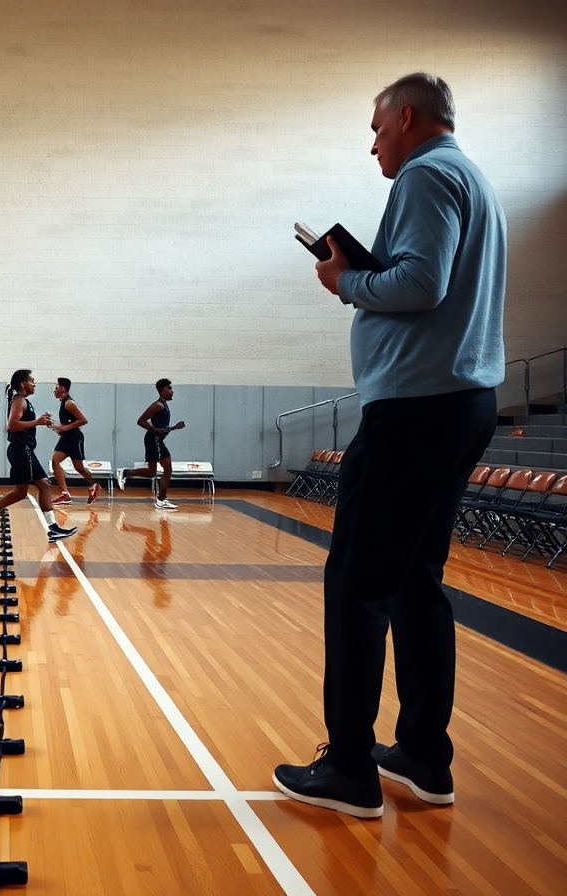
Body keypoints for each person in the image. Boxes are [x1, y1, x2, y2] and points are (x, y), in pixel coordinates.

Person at [273, 73, 506, 819]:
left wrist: (345, 280)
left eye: (377, 128)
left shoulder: (426, 173)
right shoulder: (471, 178)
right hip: (459, 402)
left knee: (357, 584)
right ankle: (423, 758)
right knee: (414, 582)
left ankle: (348, 768)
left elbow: (422, 283)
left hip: (415, 409)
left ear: (406, 118)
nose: (372, 142)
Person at [0, 370, 77, 543]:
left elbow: (21, 424)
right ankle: (53, 529)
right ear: (23, 383)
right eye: (32, 381)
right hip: (22, 450)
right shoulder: (19, 400)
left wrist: (42, 422)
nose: (34, 384)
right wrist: (37, 422)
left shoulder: (23, 401)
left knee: (22, 491)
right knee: (44, 485)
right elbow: (12, 425)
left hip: (21, 450)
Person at [115, 379, 186, 510]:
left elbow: (161, 426)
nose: (172, 391)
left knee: (152, 472)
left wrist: (173, 427)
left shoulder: (164, 405)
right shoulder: (158, 405)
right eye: (169, 388)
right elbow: (140, 420)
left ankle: (126, 473)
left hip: (155, 439)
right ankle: (161, 499)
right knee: (168, 468)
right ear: (162, 390)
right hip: (154, 439)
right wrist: (155, 430)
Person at [50, 378, 101, 506]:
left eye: (56, 387)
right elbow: (69, 423)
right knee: (79, 468)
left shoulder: (69, 403)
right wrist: (58, 427)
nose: (54, 390)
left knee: (55, 461)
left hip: (72, 437)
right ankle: (96, 485)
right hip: (69, 436)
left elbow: (83, 420)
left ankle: (65, 495)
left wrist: (64, 428)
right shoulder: (63, 403)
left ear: (63, 388)